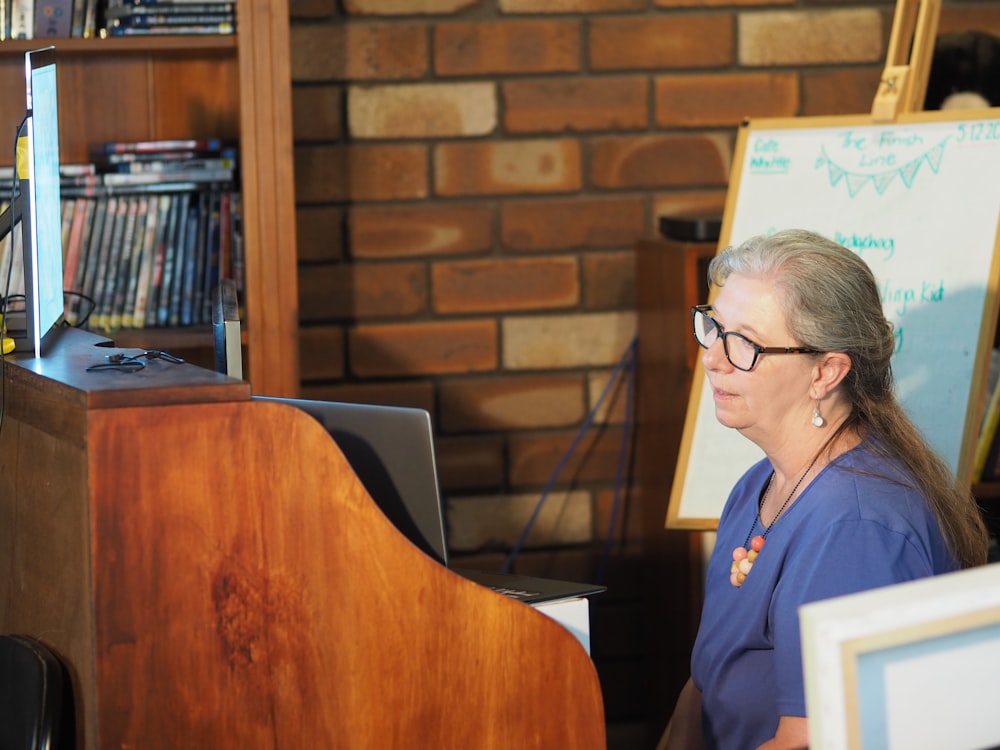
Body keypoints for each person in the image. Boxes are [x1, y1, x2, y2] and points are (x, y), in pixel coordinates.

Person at [663, 229, 990, 750]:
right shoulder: (759, 484)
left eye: (744, 342)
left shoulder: (856, 528)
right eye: (714, 328)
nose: (713, 358)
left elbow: (810, 741)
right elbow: (704, 686)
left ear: (827, 372)